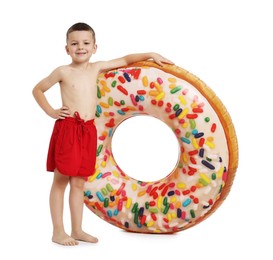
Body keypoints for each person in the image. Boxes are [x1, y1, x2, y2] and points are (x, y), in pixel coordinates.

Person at [32, 22, 173, 246]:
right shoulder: (62, 71)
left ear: (95, 47)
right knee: (60, 181)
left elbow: (126, 60)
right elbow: (37, 89)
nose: (80, 47)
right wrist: (51, 111)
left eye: (86, 43)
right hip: (69, 128)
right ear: (66, 48)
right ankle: (58, 231)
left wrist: (150, 54)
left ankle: (77, 229)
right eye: (74, 43)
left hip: (88, 130)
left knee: (79, 183)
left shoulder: (96, 67)